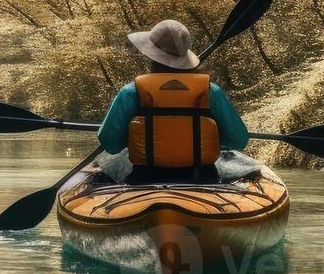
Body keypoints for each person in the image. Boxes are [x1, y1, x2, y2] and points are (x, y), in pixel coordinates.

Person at [96, 19, 249, 181]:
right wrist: (208, 141)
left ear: (152, 56)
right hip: (201, 179)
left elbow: (110, 144)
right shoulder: (211, 92)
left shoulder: (131, 92)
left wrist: (136, 139)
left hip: (145, 180)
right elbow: (238, 140)